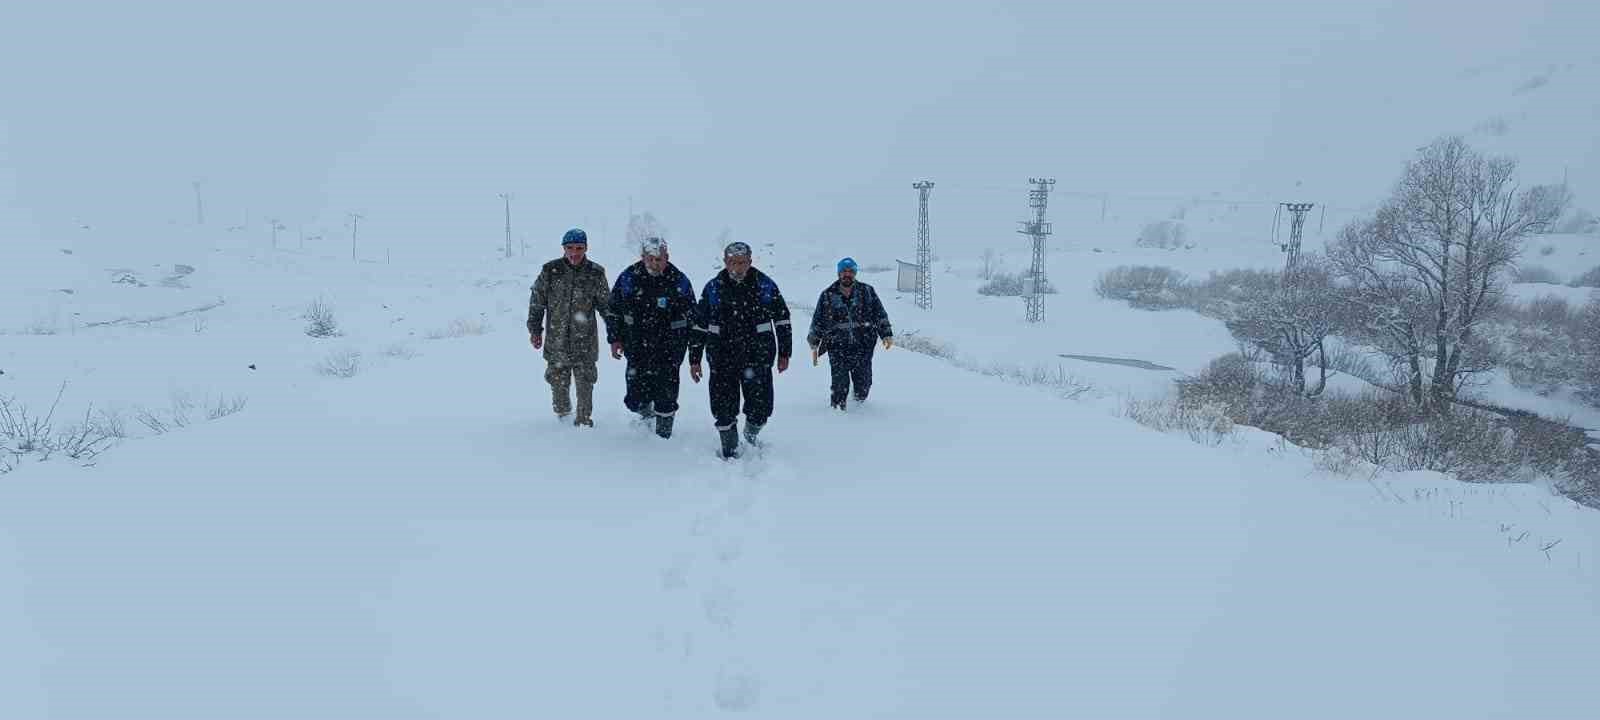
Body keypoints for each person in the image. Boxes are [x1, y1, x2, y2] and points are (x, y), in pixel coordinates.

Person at [688, 241, 793, 459]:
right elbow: (699, 325)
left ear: (750, 262)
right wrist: (694, 359)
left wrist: (785, 352)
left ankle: (752, 432)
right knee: (723, 408)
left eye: (742, 263)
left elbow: (782, 320)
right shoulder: (713, 288)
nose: (737, 268)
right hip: (721, 358)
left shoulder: (765, 285)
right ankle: (729, 447)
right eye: (733, 262)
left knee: (761, 408)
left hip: (758, 357)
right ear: (725, 262)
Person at [604, 236, 696, 439]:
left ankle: (663, 437)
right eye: (651, 258)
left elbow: (692, 316)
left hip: (669, 348)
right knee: (635, 398)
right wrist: (614, 338)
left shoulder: (678, 280)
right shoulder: (629, 277)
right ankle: (646, 416)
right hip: (636, 346)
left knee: (666, 395)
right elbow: (613, 310)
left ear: (667, 257)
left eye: (660, 259)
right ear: (643, 257)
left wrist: (692, 350)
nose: (655, 263)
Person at [527, 228, 613, 427]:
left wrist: (615, 335)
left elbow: (607, 308)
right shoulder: (550, 271)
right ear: (563, 248)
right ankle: (563, 418)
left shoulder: (595, 273)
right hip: (556, 342)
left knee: (585, 384)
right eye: (570, 248)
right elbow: (537, 302)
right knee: (557, 383)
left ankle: (583, 422)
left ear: (586, 248)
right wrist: (535, 330)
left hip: (585, 343)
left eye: (579, 248)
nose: (574, 253)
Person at [807, 257, 893, 411]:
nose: (847, 274)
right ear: (839, 273)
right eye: (844, 271)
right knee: (839, 384)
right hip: (837, 346)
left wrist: (886, 333)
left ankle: (859, 406)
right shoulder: (827, 295)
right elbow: (818, 321)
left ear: (855, 273)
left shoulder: (867, 291)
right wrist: (814, 343)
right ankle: (838, 414)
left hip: (863, 346)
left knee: (864, 385)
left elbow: (879, 314)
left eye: (850, 271)